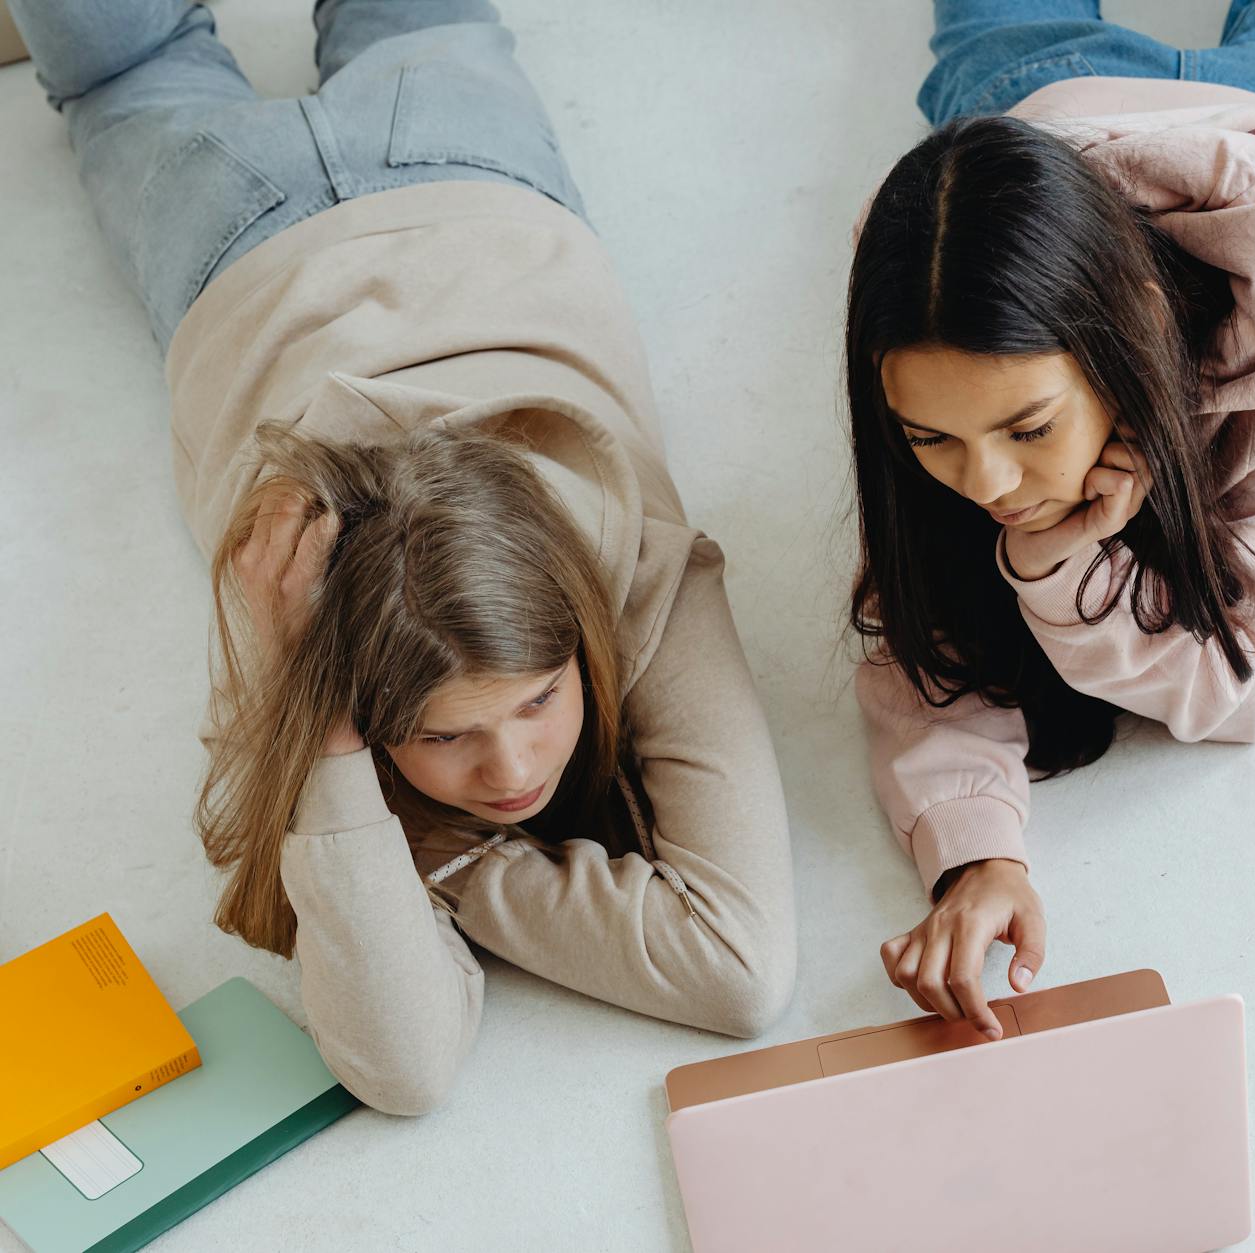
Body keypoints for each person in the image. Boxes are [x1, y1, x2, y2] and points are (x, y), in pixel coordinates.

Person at [9, 0, 796, 1114]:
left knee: (130, 61)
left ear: (578, 628)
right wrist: (327, 731)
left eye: (535, 696)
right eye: (443, 733)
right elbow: (404, 1067)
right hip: (316, 221)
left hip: (359, 203)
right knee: (126, 63)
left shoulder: (640, 567)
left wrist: (439, 855)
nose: (513, 770)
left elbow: (740, 970)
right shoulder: (282, 597)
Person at [847, 0, 1255, 1038]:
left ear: (1131, 339)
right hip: (1035, 106)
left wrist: (1065, 565)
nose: (983, 484)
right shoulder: (925, 296)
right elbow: (919, 625)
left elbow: (1249, 680)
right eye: (931, 440)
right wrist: (976, 854)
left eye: (1027, 427)